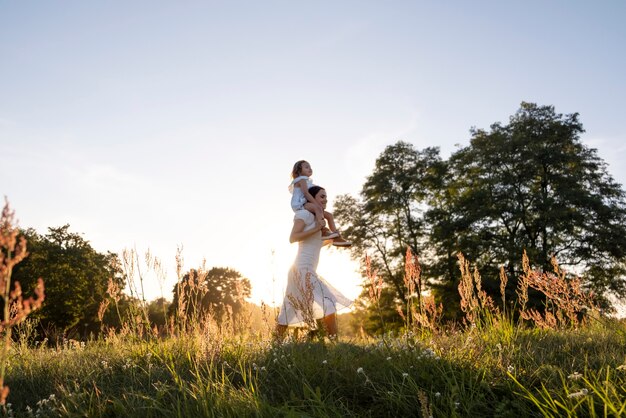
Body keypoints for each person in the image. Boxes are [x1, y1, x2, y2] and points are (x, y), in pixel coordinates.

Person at [276, 185, 353, 339]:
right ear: (312, 198)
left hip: (305, 270)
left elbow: (315, 243)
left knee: (290, 310)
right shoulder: (304, 214)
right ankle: (335, 344)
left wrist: (333, 239)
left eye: (326, 197)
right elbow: (293, 237)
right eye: (322, 196)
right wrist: (317, 228)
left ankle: (276, 344)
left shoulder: (319, 220)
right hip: (301, 269)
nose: (326, 200)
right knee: (328, 303)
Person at [289, 160, 351, 247]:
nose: (310, 169)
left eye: (310, 167)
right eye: (306, 167)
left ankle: (337, 238)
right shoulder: (301, 180)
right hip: (300, 204)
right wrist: (316, 204)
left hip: (306, 202)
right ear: (299, 170)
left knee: (329, 215)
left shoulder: (308, 181)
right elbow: (306, 193)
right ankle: (323, 230)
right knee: (317, 208)